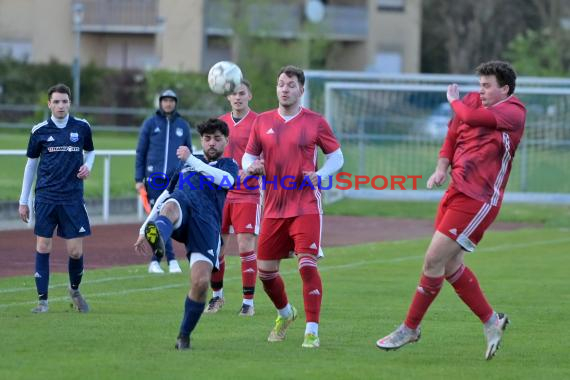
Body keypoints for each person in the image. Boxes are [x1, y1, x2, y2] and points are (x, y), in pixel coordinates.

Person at [376, 61, 526, 360]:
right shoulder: (470, 101)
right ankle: (491, 321)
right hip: (456, 191)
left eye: (487, 86)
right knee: (448, 266)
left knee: (433, 259)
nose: (480, 91)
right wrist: (441, 167)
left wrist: (454, 101)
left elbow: (468, 115)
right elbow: (453, 134)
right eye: (480, 84)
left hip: (480, 199)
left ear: (505, 89)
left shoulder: (513, 111)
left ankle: (410, 328)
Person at [242, 65, 344, 348]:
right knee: (265, 273)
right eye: (280, 84)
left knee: (307, 266)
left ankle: (312, 330)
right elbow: (248, 158)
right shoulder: (261, 121)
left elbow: (337, 157)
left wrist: (320, 175)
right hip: (273, 207)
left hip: (306, 205)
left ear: (301, 89)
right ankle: (286, 313)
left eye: (290, 85)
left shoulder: (315, 122)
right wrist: (253, 167)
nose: (284, 89)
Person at [134, 118, 238, 350]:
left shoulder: (228, 165)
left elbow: (227, 181)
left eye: (217, 139)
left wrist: (191, 159)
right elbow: (164, 195)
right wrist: (144, 227)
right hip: (182, 211)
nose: (212, 143)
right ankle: (158, 237)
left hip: (206, 225)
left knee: (201, 284)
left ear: (226, 142)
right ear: (201, 140)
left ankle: (184, 335)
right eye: (207, 138)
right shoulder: (186, 164)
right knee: (170, 203)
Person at [18, 83, 95, 314]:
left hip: (72, 198)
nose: (61, 105)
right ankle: (42, 301)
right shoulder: (39, 130)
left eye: (65, 101)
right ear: (49, 104)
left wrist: (88, 166)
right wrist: (24, 201)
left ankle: (74, 290)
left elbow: (90, 151)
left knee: (75, 252)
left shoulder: (82, 127)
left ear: (70, 103)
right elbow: (30, 166)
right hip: (46, 197)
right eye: (57, 101)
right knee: (43, 245)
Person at [204, 79, 260, 317]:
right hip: (220, 194)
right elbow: (209, 152)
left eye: (242, 93)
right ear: (227, 97)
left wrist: (252, 168)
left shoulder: (260, 122)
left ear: (250, 96)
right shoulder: (220, 123)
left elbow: (269, 155)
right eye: (233, 94)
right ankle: (217, 297)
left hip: (247, 193)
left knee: (246, 247)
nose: (237, 97)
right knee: (216, 247)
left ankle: (248, 302)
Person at [135, 89, 193, 274]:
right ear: (160, 102)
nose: (168, 104)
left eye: (171, 100)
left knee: (168, 218)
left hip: (175, 179)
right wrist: (138, 179)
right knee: (157, 217)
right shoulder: (150, 123)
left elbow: (188, 153)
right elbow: (140, 152)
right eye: (165, 100)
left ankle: (157, 261)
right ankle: (169, 260)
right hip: (154, 179)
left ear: (175, 103)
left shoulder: (182, 125)